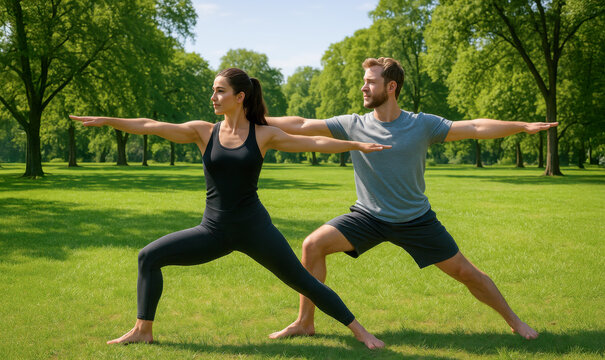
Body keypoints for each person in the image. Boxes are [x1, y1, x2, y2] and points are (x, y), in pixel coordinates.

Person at [70, 68, 391, 349]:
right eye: (213, 90)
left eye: (219, 91)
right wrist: (110, 121)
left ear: (239, 97)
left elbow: (316, 143)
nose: (213, 96)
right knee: (148, 257)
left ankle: (361, 332)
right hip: (213, 232)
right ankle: (143, 330)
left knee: (304, 281)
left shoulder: (263, 134)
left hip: (256, 230)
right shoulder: (203, 131)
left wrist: (356, 144)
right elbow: (150, 125)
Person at [266, 57, 558, 341]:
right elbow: (302, 124)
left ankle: (515, 322)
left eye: (370, 82)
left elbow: (474, 128)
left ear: (391, 87)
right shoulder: (353, 124)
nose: (363, 88)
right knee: (312, 245)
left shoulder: (422, 124)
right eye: (363, 82)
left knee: (465, 272)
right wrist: (251, 117)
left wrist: (521, 126)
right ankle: (305, 322)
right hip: (368, 217)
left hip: (415, 220)